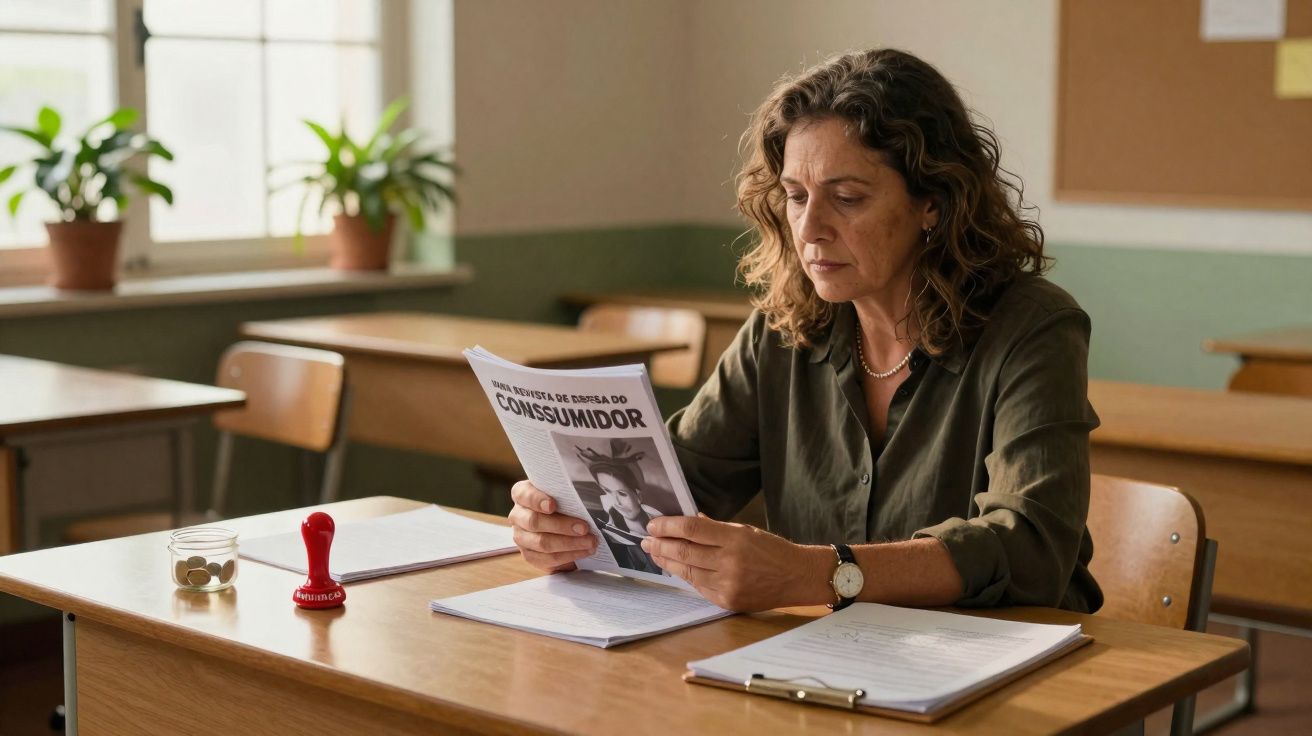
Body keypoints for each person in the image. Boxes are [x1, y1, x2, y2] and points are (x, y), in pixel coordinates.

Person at [508, 48, 1103, 614]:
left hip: (1008, 664)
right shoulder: (783, 325)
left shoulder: (1033, 326)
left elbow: (1029, 548)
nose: (810, 228)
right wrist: (565, 520)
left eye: (846, 197)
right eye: (795, 196)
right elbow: (685, 482)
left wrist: (817, 573)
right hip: (822, 659)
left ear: (934, 201)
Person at [575, 440, 665, 576]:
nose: (616, 502)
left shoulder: (662, 521)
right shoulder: (607, 534)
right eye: (607, 491)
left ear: (638, 496)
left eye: (622, 493)